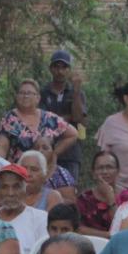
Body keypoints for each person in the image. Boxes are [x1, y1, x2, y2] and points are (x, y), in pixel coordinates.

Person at [0, 79, 77, 171]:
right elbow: (2, 147)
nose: (25, 96)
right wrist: (1, 168)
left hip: (45, 171)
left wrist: (54, 154)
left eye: (29, 93)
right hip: (19, 171)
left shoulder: (49, 117)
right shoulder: (10, 119)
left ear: (38, 98)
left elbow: (73, 134)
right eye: (22, 93)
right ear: (17, 97)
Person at [41, 49, 87, 185]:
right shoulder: (42, 93)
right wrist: (67, 118)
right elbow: (43, 120)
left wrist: (77, 91)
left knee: (69, 190)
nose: (60, 71)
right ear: (51, 69)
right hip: (46, 150)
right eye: (57, 67)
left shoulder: (77, 93)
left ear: (69, 70)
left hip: (71, 153)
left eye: (64, 67)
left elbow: (79, 118)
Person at [0, 162, 49, 254]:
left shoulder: (40, 218)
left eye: (16, 187)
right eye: (4, 187)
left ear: (25, 189)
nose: (10, 193)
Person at [75, 149, 121, 237]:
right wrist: (108, 235)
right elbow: (78, 228)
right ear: (93, 173)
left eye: (109, 167)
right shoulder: (84, 199)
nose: (105, 172)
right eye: (100, 168)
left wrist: (111, 199)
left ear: (118, 171)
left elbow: (122, 227)